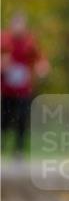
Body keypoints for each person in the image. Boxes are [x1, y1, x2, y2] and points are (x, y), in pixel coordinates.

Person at [1, 12, 49, 153]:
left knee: (22, 118)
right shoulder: (4, 40)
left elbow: (40, 59)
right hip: (5, 89)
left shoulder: (29, 42)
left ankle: (19, 148)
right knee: (4, 118)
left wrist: (42, 68)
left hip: (23, 89)